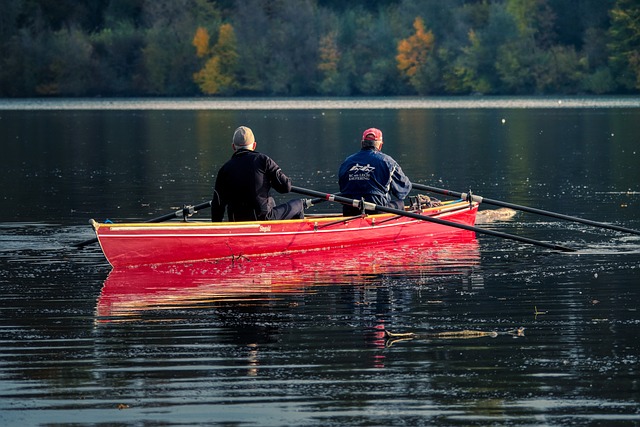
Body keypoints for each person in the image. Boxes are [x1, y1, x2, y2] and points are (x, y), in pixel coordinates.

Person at [211, 126, 308, 222]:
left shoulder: (224, 169)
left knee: (271, 201)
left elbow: (217, 204)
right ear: (254, 145)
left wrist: (216, 228)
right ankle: (295, 235)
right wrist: (270, 181)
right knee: (299, 204)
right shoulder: (263, 161)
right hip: (263, 219)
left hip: (236, 221)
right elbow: (285, 187)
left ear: (233, 147)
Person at [338, 127, 412, 216]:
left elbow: (342, 188)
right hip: (377, 210)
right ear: (380, 145)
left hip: (349, 210)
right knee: (400, 204)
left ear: (362, 143)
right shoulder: (387, 161)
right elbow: (403, 190)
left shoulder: (346, 162)